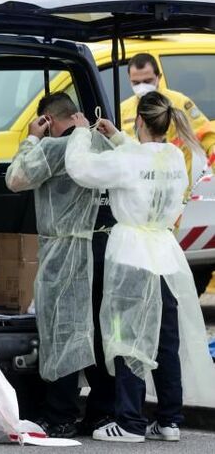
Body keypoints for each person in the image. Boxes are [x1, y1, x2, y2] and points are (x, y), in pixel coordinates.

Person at [65, 91, 210, 442]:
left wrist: (82, 133)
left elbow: (81, 169)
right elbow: (143, 159)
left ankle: (129, 422)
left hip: (131, 256)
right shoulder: (175, 156)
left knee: (127, 337)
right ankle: (169, 420)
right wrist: (117, 137)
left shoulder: (128, 159)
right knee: (165, 341)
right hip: (166, 255)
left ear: (139, 121)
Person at [5, 93, 115, 438]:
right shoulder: (102, 145)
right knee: (97, 334)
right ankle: (101, 412)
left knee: (63, 332)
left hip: (65, 250)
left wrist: (32, 139)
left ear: (49, 120)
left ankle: (60, 415)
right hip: (104, 246)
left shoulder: (55, 148)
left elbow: (16, 178)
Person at [122, 53, 215, 183]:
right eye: (136, 83)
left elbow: (206, 133)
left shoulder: (178, 102)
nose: (142, 86)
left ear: (158, 77)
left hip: (176, 190)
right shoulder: (123, 110)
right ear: (129, 80)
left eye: (147, 81)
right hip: (141, 191)